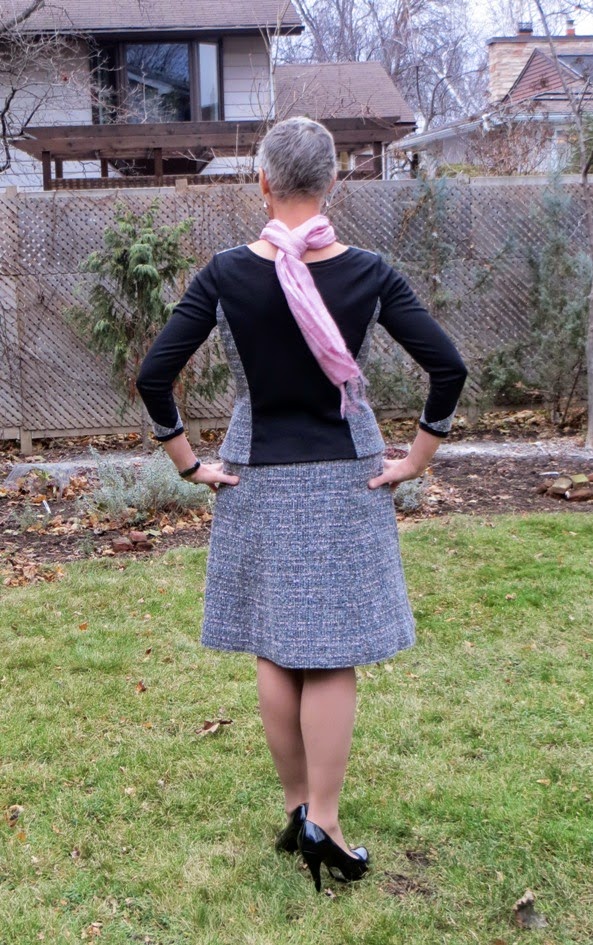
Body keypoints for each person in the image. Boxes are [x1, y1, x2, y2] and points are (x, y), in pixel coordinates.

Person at [136, 116, 467, 893]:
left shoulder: (224, 273)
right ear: (332, 182)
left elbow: (154, 376)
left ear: (261, 180)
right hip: (346, 477)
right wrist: (415, 458)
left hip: (256, 474)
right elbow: (446, 367)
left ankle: (297, 809)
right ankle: (325, 819)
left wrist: (188, 463)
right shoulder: (369, 272)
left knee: (275, 645)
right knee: (331, 653)